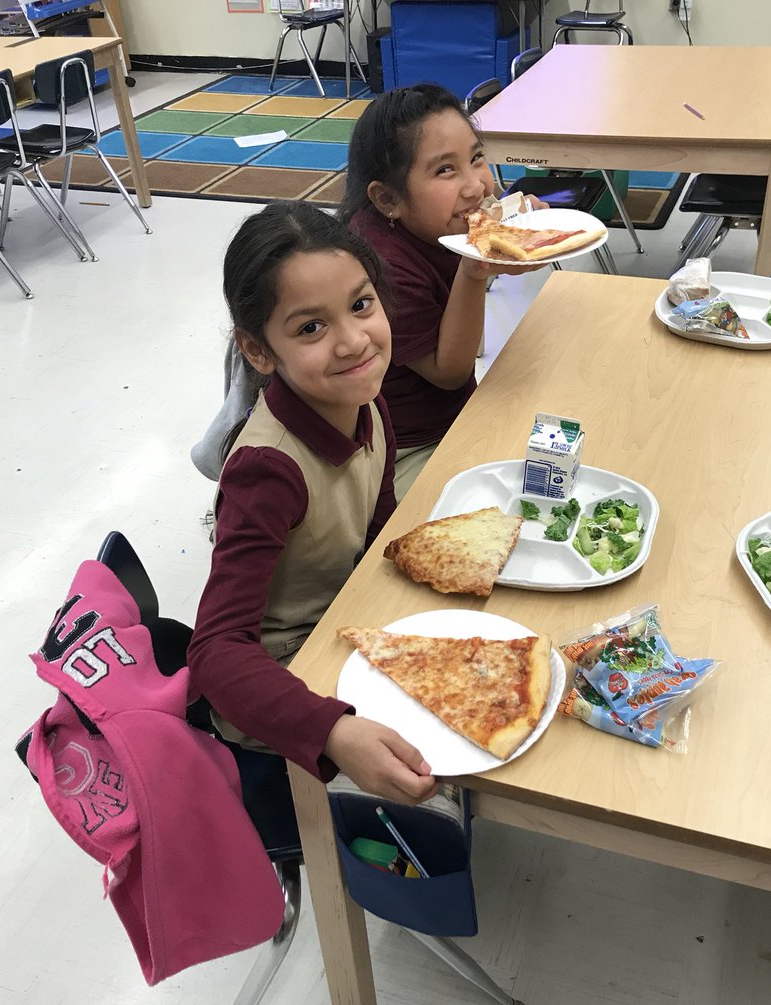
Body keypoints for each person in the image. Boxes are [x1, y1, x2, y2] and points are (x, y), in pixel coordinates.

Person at [187, 201, 439, 818]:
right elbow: (217, 651)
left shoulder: (368, 404)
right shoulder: (267, 471)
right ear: (258, 350)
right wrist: (333, 731)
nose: (354, 342)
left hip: (342, 624)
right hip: (282, 683)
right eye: (310, 328)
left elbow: (375, 526)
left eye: (360, 305)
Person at [339, 83, 544, 498]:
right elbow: (448, 373)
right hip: (404, 446)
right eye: (445, 170)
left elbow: (491, 206)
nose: (476, 187)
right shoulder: (381, 264)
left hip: (457, 413)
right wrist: (476, 271)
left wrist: (519, 234)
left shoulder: (443, 217)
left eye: (476, 158)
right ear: (388, 199)